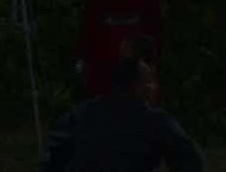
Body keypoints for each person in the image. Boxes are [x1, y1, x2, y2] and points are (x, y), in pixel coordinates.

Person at [40, 57, 203, 172]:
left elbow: (53, 150)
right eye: (151, 81)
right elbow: (191, 161)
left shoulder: (84, 111)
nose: (155, 87)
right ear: (138, 86)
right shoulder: (156, 120)